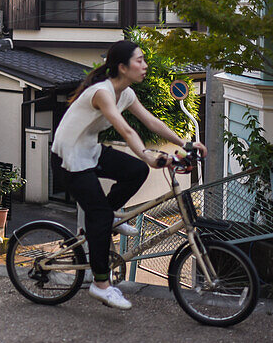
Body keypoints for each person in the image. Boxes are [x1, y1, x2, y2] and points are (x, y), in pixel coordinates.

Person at [51, 39, 206, 310]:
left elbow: (151, 122)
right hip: (69, 159)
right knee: (97, 216)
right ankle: (101, 285)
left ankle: (108, 216)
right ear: (122, 67)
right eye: (140, 60)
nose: (144, 66)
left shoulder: (127, 93)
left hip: (89, 150)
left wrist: (186, 144)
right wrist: (146, 152)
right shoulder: (102, 92)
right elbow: (125, 129)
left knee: (135, 170)